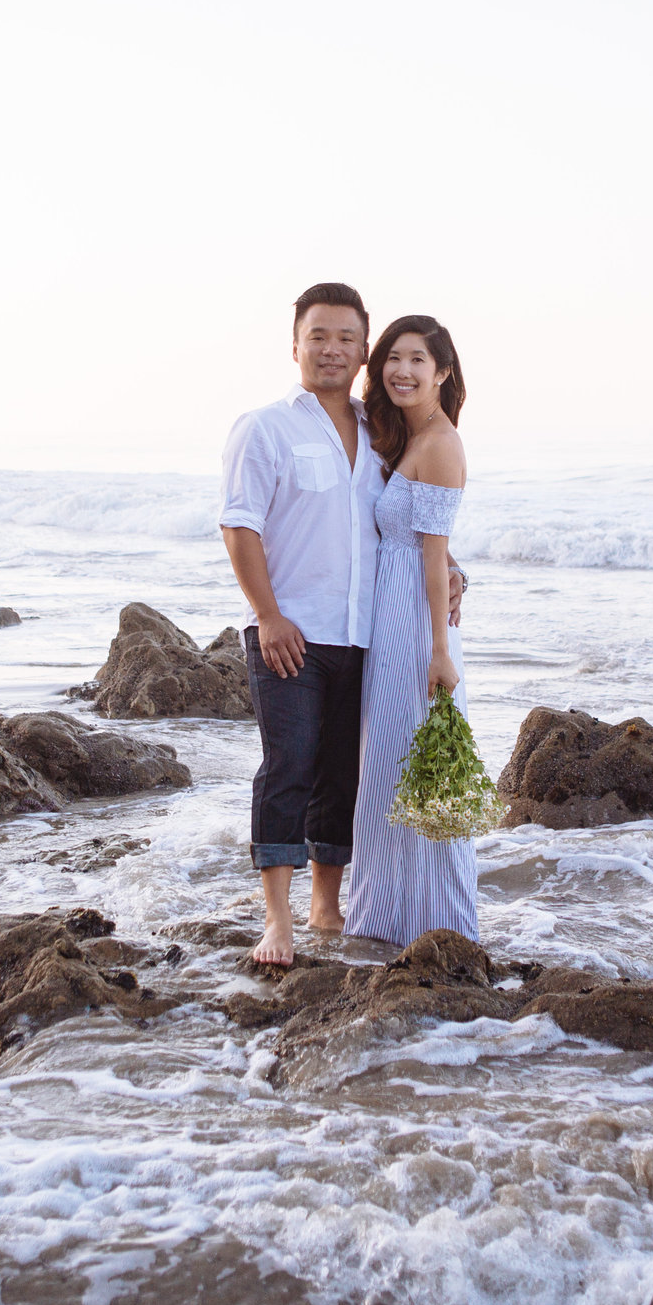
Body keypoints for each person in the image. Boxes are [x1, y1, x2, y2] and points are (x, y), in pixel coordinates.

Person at [219, 283, 462, 967]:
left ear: (362, 349)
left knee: (341, 778)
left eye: (346, 338)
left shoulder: (381, 431)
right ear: (295, 344)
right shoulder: (265, 426)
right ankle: (278, 919)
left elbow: (407, 518)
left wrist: (456, 568)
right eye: (318, 336)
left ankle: (326, 905)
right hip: (289, 631)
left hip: (364, 635)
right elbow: (240, 526)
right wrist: (267, 616)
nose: (332, 349)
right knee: (287, 768)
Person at [342, 315, 479, 948]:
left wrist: (441, 652)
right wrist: (456, 571)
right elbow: (437, 553)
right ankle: (385, 925)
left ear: (442, 371)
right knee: (389, 773)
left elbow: (431, 553)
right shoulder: (411, 436)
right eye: (392, 357)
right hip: (395, 617)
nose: (401, 369)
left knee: (413, 773)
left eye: (417, 360)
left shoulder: (441, 442)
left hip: (414, 630)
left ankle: (437, 927)